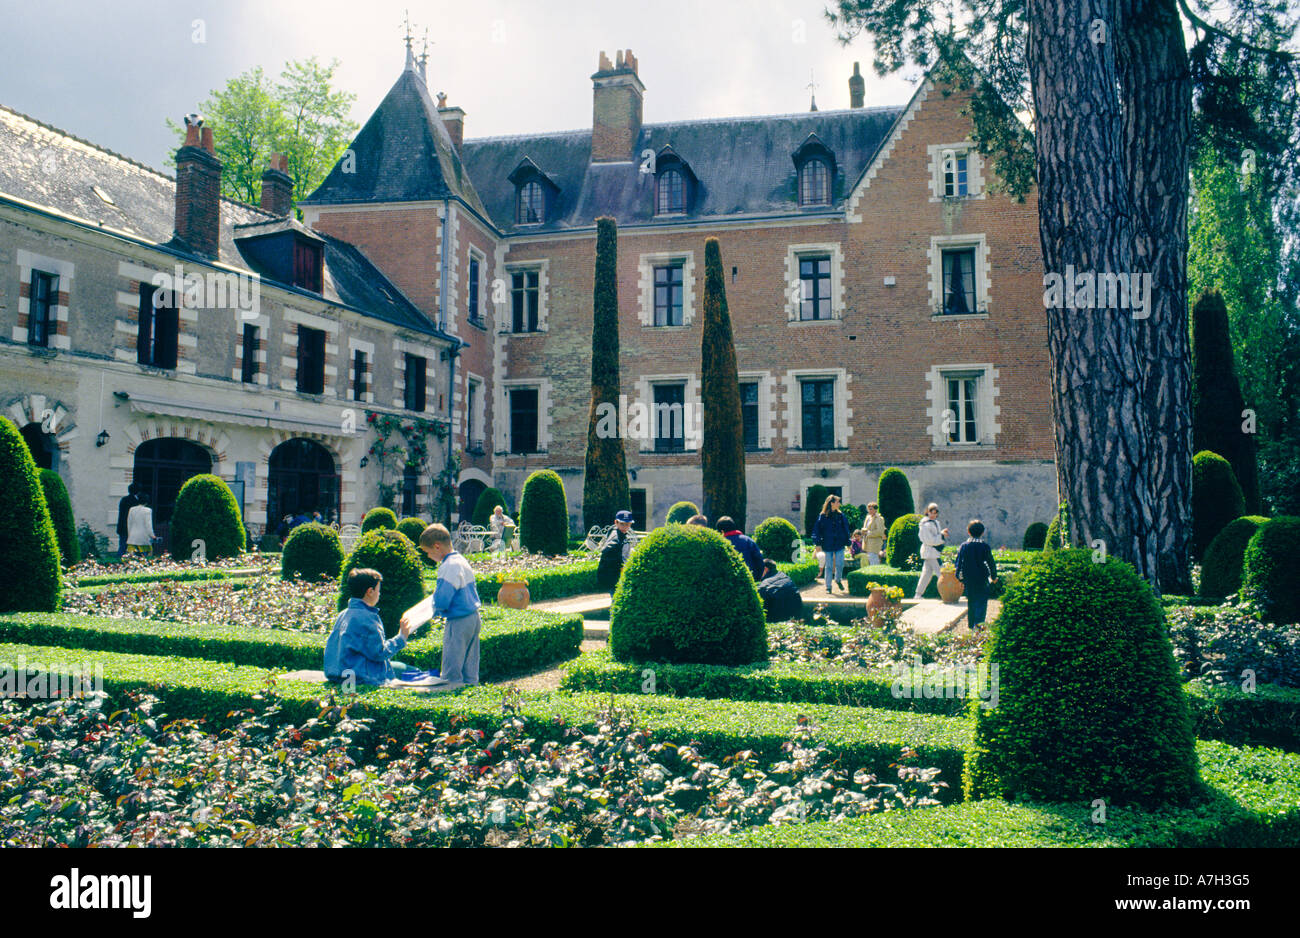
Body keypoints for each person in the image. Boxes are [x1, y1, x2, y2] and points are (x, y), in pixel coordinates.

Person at [411, 523, 484, 686]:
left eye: (428, 552)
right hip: (473, 617)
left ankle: (453, 695)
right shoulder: (461, 560)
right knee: (470, 666)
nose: (429, 556)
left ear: (437, 547)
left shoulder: (448, 566)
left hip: (458, 621)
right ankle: (472, 691)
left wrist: (429, 610)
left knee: (452, 668)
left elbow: (443, 600)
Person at [324, 568, 413, 686]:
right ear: (370, 591)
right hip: (361, 677)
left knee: (398, 667)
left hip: (340, 675)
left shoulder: (343, 614)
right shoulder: (367, 618)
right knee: (412, 671)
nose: (379, 594)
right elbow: (380, 653)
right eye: (378, 591)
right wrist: (401, 637)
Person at [955, 520, 998, 629]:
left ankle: (971, 625)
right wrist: (993, 576)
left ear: (968, 532)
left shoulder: (964, 546)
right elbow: (990, 562)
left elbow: (959, 564)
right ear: (982, 533)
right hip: (982, 579)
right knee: (982, 602)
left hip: (969, 579)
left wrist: (960, 579)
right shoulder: (985, 546)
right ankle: (979, 625)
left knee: (971, 602)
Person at [812, 495, 853, 593]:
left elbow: (846, 530)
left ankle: (838, 580)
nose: (839, 504)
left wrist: (848, 543)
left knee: (840, 564)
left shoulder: (841, 515)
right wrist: (817, 543)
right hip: (827, 544)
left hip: (839, 544)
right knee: (829, 566)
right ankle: (828, 587)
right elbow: (816, 530)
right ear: (832, 503)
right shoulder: (822, 516)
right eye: (838, 502)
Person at [597, 510, 637, 594]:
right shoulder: (616, 537)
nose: (625, 527)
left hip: (617, 574)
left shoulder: (621, 534)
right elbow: (607, 550)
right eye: (622, 524)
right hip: (615, 575)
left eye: (628, 524)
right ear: (616, 522)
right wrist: (619, 564)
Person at [716, 516, 765, 583]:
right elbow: (759, 561)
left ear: (722, 531)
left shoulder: (720, 543)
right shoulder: (748, 540)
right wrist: (757, 578)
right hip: (749, 580)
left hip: (728, 583)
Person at [915, 502, 949, 599]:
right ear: (927, 512)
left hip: (933, 552)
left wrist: (942, 535)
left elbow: (935, 538)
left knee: (926, 574)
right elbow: (929, 540)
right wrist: (941, 535)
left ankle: (918, 595)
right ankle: (947, 593)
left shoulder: (935, 523)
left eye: (935, 513)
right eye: (931, 512)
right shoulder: (925, 525)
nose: (933, 515)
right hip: (931, 553)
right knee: (941, 574)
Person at [116, 484, 141, 557]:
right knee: (133, 547)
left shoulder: (123, 499)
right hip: (131, 527)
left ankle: (118, 561)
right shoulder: (136, 501)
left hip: (122, 527)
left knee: (122, 546)